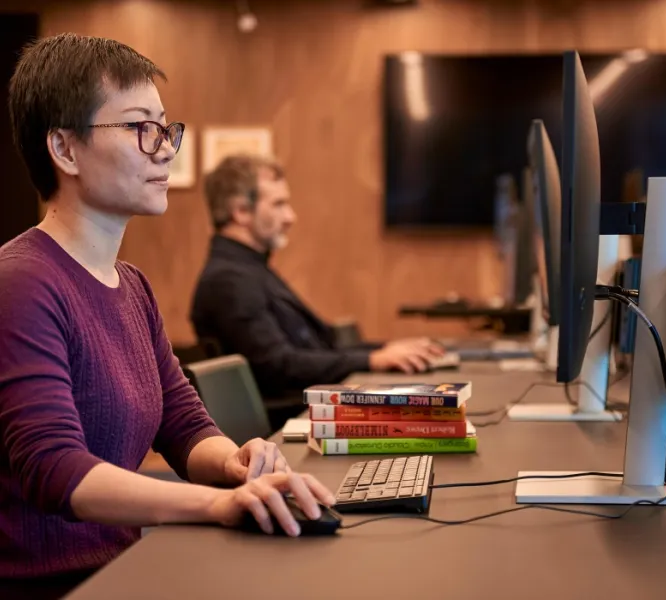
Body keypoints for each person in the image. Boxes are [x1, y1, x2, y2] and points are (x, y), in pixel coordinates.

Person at [0, 33, 334, 600]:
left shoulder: (133, 287)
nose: (165, 149)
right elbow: (54, 468)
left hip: (121, 570)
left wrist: (237, 463)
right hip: (52, 584)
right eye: (139, 128)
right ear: (64, 149)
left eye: (165, 128)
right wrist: (219, 504)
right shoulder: (21, 282)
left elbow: (183, 428)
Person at [190, 154, 445, 415]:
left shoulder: (250, 270)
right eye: (278, 204)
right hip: (291, 423)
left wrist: (384, 350)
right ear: (241, 211)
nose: (290, 217)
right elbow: (278, 366)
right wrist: (374, 359)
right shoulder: (228, 280)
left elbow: (323, 345)